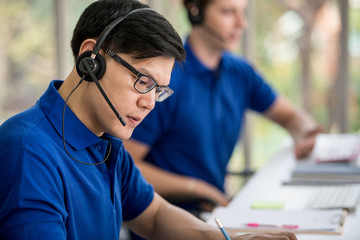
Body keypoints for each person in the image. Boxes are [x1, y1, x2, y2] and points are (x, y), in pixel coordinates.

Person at [0, 0, 299, 240]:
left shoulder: (106, 142)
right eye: (142, 81)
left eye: (159, 90)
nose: (149, 103)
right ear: (91, 59)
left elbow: (155, 217)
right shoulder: (27, 152)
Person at [124, 0, 322, 215]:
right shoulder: (167, 78)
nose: (242, 23)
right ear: (196, 11)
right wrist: (197, 189)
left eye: (243, 12)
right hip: (167, 217)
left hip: (215, 212)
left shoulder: (240, 73)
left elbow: (290, 116)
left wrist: (306, 134)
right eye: (228, 12)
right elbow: (127, 164)